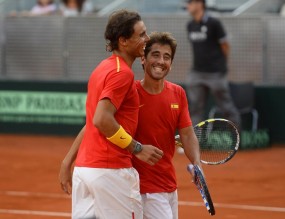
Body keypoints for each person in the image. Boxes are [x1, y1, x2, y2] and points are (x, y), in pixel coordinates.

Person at [59, 32, 201, 219]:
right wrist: (67, 161)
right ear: (143, 59)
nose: (161, 61)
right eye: (155, 55)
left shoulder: (178, 93)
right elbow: (95, 125)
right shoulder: (129, 90)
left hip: (168, 186)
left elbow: (188, 134)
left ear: (171, 64)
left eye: (167, 57)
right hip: (139, 189)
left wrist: (197, 163)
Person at [67, 9, 164, 219]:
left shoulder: (103, 68)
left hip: (85, 170)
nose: (147, 39)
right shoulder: (122, 74)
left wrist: (68, 161)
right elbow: (101, 120)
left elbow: (92, 122)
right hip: (110, 172)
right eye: (141, 35)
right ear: (123, 41)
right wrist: (137, 148)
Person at [186, 0, 241, 127]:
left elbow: (225, 45)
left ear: (199, 4)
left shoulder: (214, 23)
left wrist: (222, 65)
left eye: (190, 2)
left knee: (226, 107)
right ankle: (195, 143)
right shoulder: (190, 25)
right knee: (195, 109)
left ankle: (237, 140)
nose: (187, 5)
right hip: (196, 73)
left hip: (215, 73)